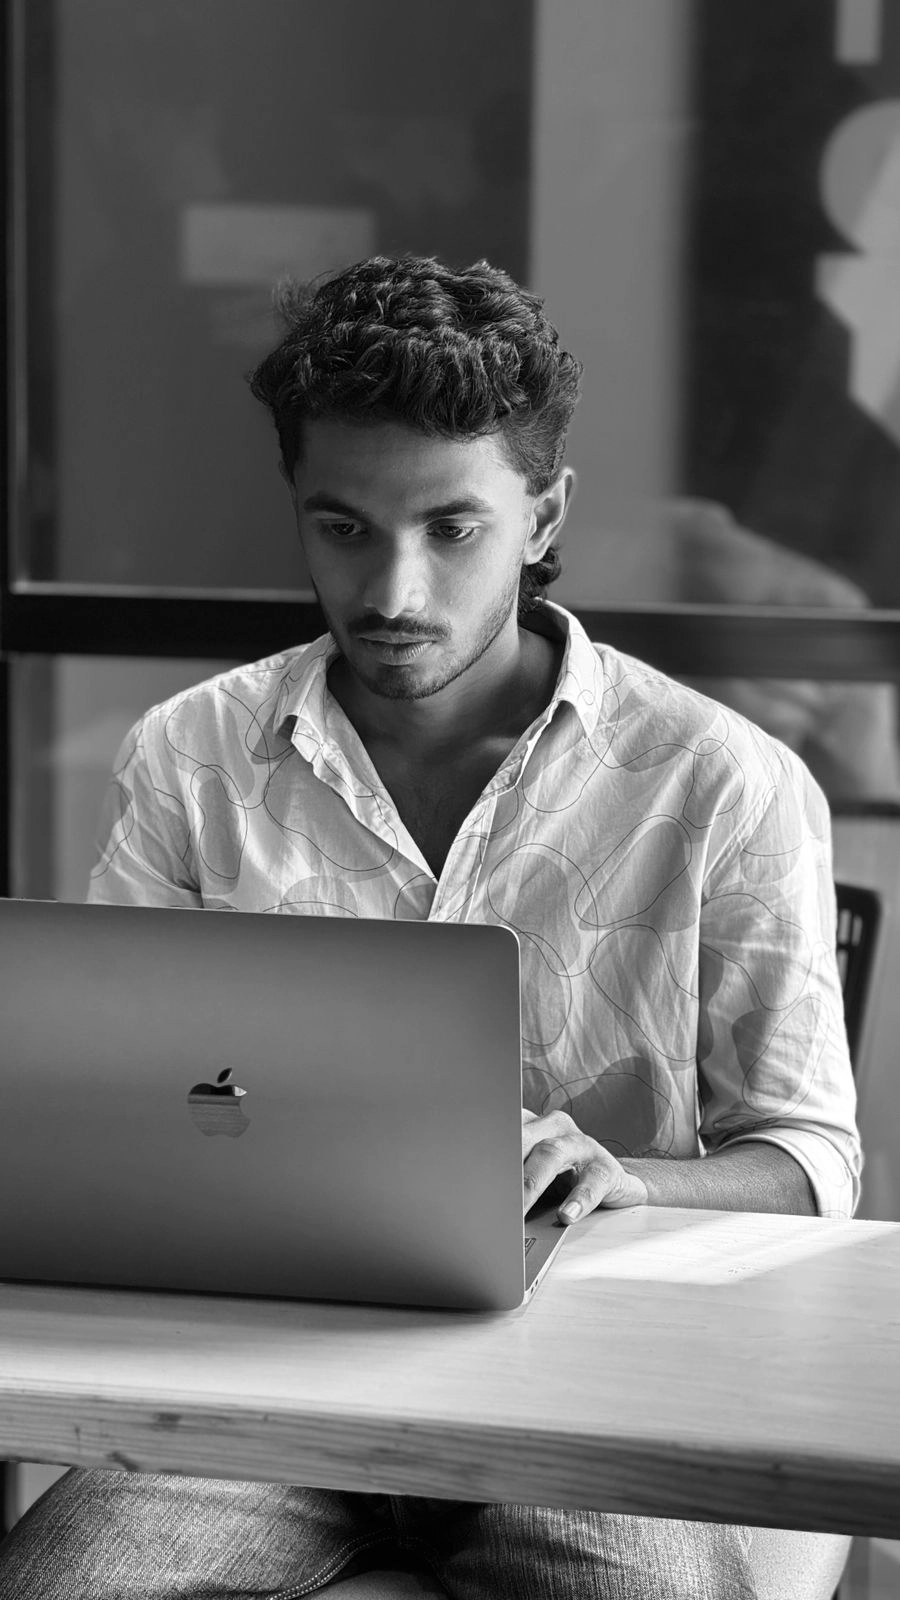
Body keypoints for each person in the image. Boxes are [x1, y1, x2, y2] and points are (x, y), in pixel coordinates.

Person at [0, 254, 861, 1599]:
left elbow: (813, 1156)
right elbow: (97, 1117)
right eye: (343, 528)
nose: (393, 594)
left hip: (595, 1385)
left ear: (542, 514)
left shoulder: (722, 782)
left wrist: (635, 1179)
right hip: (269, 1383)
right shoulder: (193, 757)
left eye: (451, 529)